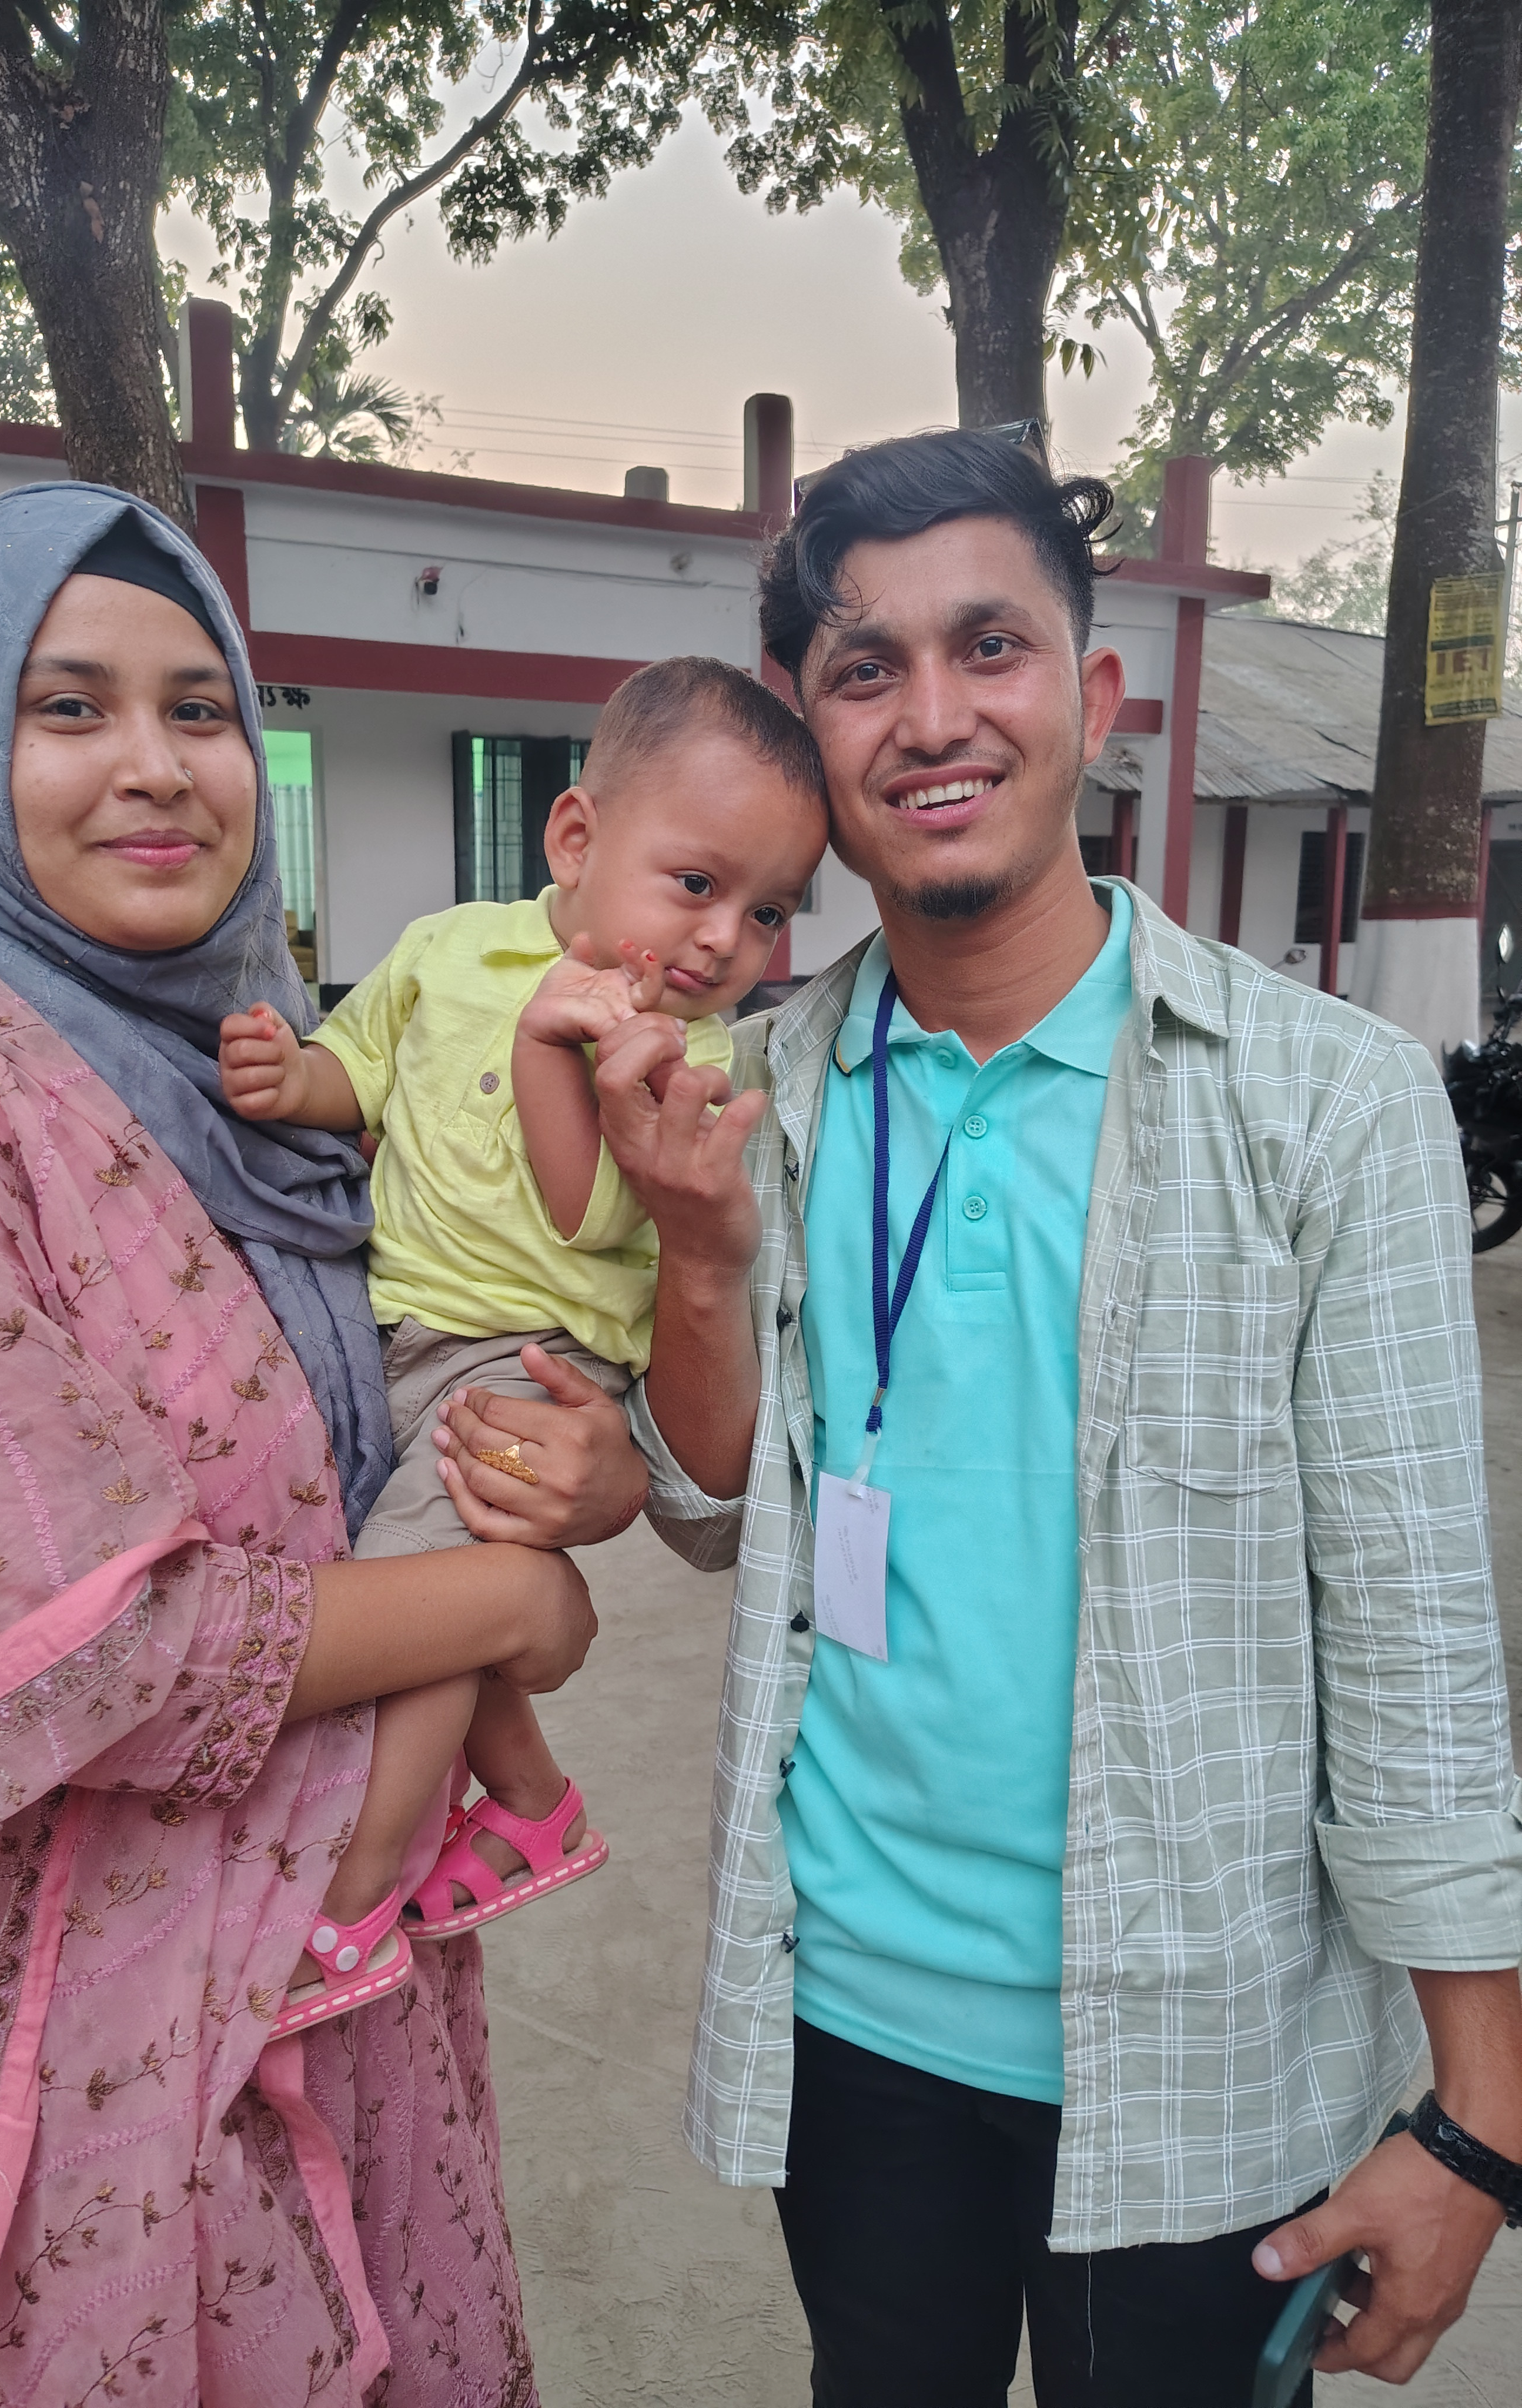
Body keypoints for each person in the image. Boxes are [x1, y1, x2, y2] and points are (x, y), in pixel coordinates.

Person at [587, 430, 1522, 2406]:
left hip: (1206, 2042)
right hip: (854, 2022)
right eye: (866, 669)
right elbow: (707, 1510)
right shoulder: (759, 1090)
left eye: (989, 647)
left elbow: (1417, 1632)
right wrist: (698, 1259)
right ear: (819, 741)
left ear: (1091, 698)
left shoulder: (1328, 1103)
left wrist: (1475, 2124)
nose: (934, 716)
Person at [0, 481, 646, 2407]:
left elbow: (421, 1422)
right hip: (69, 2038)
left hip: (334, 1964)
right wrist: (512, 1603)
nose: (155, 766)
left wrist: (580, 1491)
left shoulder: (260, 1085)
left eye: (201, 709)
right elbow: (80, 1645)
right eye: (68, 707)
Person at [217, 658, 828, 2018]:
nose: (724, 938)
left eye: (769, 910)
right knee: (423, 1596)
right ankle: (533, 1802)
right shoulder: (448, 949)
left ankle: (353, 1897)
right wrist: (291, 1076)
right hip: (390, 1329)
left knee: (414, 1595)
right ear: (575, 837)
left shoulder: (689, 1057)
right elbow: (361, 1065)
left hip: (529, 1359)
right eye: (697, 882)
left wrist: (563, 1050)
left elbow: (586, 1208)